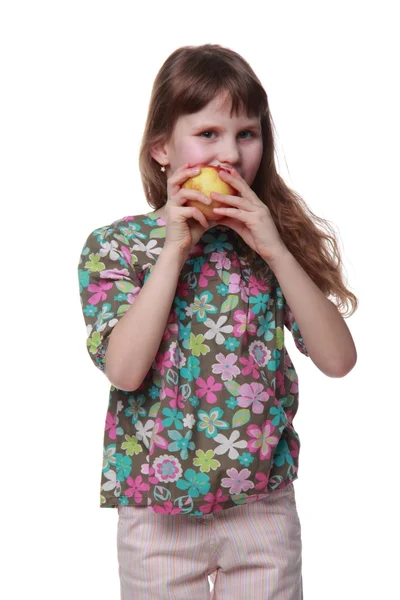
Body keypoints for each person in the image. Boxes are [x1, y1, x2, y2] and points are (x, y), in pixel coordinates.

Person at [78, 43, 358, 600]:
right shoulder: (117, 247)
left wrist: (277, 251)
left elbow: (339, 360)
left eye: (246, 134)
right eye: (208, 134)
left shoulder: (269, 245)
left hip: (260, 504)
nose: (230, 153)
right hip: (156, 507)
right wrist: (175, 251)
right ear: (162, 147)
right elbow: (126, 371)